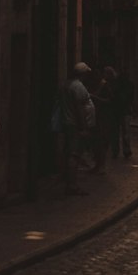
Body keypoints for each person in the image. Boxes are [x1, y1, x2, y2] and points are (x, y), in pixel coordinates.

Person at [57, 62, 93, 195]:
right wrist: (84, 128)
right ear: (83, 74)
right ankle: (72, 185)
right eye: (87, 73)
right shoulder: (78, 86)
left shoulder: (65, 84)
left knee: (69, 152)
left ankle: (67, 180)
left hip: (68, 123)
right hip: (75, 125)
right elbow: (79, 109)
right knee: (74, 154)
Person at [112, 63, 135, 160]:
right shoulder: (123, 84)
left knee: (123, 132)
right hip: (121, 110)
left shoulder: (127, 84)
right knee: (121, 132)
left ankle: (122, 150)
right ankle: (121, 150)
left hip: (123, 111)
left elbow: (131, 98)